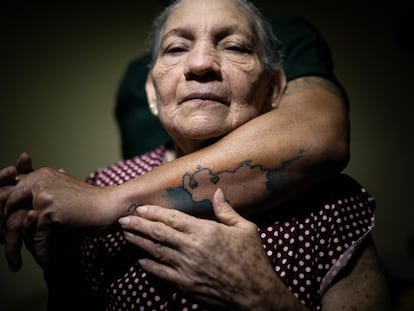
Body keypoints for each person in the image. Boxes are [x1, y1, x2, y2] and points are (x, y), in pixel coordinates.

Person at [0, 0, 390, 310]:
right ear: (152, 93)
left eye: (235, 46)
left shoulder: (331, 203)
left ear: (274, 90)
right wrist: (63, 271)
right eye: (176, 48)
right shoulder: (100, 184)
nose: (201, 64)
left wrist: (264, 297)